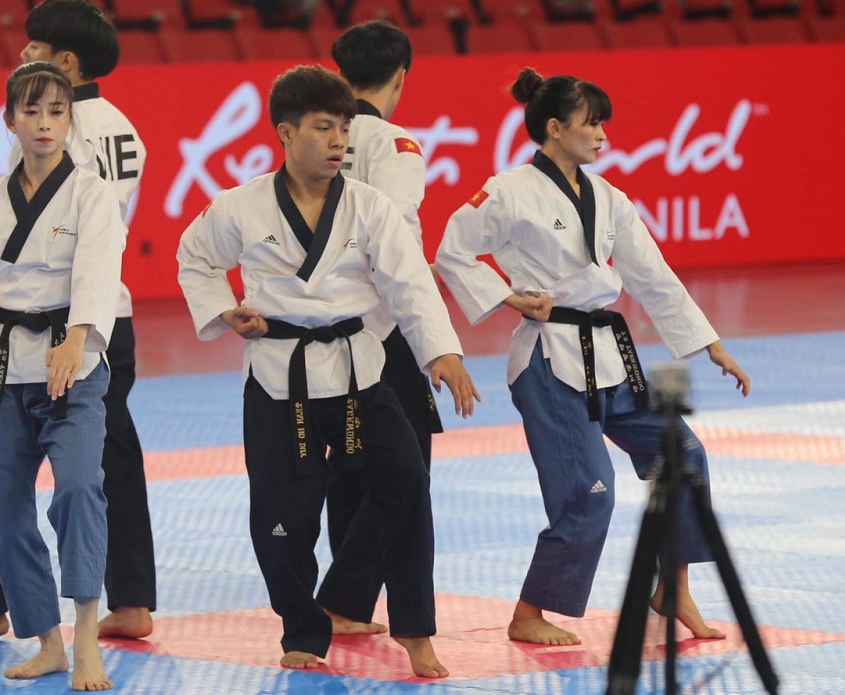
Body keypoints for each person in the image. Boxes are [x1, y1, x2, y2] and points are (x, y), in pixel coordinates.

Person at [177, 65, 480, 677]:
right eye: (324, 127)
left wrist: (441, 351)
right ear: (286, 134)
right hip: (277, 379)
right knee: (282, 515)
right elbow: (195, 257)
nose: (340, 140)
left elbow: (409, 281)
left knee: (405, 482)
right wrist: (223, 311)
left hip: (359, 374)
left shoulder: (369, 206)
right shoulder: (241, 205)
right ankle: (302, 628)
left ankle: (416, 629)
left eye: (344, 127)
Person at [435, 67, 751, 647]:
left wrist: (712, 345)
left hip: (610, 355)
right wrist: (507, 296)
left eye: (603, 122)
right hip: (548, 360)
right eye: (591, 123)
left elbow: (652, 276)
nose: (602, 134)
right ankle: (530, 612)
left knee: (682, 454)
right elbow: (452, 250)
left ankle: (673, 586)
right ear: (554, 128)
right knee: (590, 490)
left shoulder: (609, 197)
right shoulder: (507, 191)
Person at [0, 0, 155, 643]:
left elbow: (74, 243)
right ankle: (131, 597)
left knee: (1, 461)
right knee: (110, 458)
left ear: (65, 63)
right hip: (108, 318)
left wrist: (68, 329)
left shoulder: (61, 128)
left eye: (34, 49)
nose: (23, 57)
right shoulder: (126, 128)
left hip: (70, 325)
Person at [0, 61, 123, 690]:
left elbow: (99, 274)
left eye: (57, 111)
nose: (45, 124)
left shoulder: (91, 194)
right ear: (9, 120)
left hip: (70, 366)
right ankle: (47, 641)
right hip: (0, 368)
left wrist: (77, 338)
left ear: (70, 119)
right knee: (2, 507)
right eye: (32, 111)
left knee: (77, 491)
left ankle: (89, 639)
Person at [315, 19, 442, 637]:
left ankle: (351, 604)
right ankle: (343, 597)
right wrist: (425, 338)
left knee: (351, 462)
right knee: (405, 468)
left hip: (324, 324)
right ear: (401, 76)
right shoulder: (396, 145)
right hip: (383, 328)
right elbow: (395, 243)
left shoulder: (315, 139)